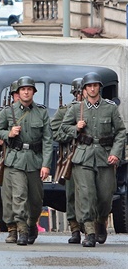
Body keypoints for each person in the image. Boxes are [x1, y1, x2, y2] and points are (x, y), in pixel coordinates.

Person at [60, 72, 126, 247]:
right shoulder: (76, 109)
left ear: (99, 88)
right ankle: (89, 232)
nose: (92, 88)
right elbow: (63, 128)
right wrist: (76, 127)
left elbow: (120, 131)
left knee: (105, 196)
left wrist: (116, 152)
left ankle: (101, 221)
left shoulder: (110, 108)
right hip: (83, 157)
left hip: (105, 156)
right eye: (89, 86)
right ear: (84, 89)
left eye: (95, 85)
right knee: (86, 195)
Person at [0, 76, 52, 246]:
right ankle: (21, 230)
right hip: (15, 160)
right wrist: (8, 134)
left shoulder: (41, 112)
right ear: (18, 93)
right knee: (18, 196)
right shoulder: (7, 112)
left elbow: (47, 140)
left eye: (29, 89)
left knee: (35, 200)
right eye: (23, 89)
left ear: (33, 92)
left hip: (35, 160)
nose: (26, 92)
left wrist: (46, 164)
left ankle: (32, 225)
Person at [50, 78, 83, 244]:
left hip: (92, 158)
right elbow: (56, 132)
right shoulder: (65, 111)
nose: (80, 95)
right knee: (71, 195)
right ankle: (75, 228)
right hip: (72, 157)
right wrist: (73, 132)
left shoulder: (99, 109)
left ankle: (95, 224)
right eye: (78, 92)